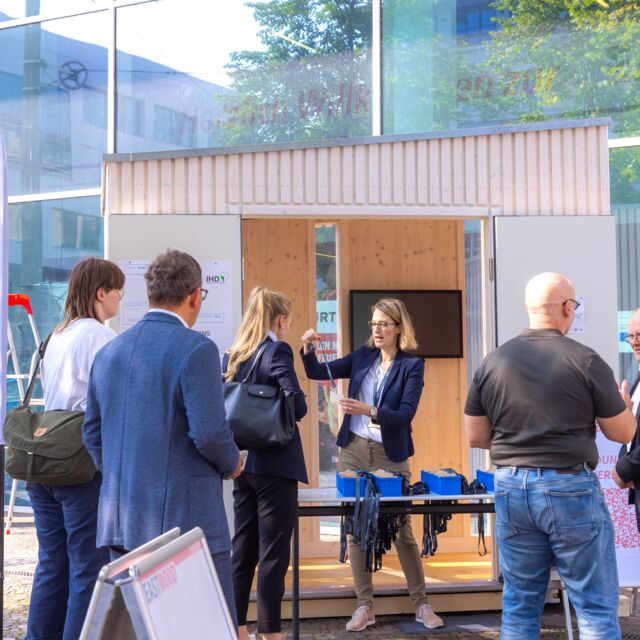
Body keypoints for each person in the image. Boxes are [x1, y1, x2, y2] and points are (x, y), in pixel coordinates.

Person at [464, 272, 636, 640]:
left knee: (520, 605)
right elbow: (623, 433)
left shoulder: (493, 361)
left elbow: (475, 436)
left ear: (528, 309)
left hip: (511, 486)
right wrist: (624, 407)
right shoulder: (585, 359)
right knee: (593, 608)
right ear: (567, 309)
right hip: (569, 487)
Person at [83, 249, 242, 626]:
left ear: (150, 294)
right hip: (184, 525)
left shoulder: (109, 352)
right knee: (205, 626)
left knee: (136, 629)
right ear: (194, 296)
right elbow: (209, 432)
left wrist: (127, 476)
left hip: (120, 520)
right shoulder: (197, 349)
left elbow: (91, 432)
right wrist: (233, 461)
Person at [300, 298, 444, 632]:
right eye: (374, 324)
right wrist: (308, 348)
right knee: (356, 529)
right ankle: (365, 606)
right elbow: (318, 372)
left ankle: (421, 604)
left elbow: (406, 415)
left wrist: (369, 411)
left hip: (389, 454)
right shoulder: (363, 356)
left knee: (402, 531)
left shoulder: (412, 365)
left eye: (383, 324)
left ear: (398, 328)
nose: (377, 330)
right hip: (353, 450)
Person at [26, 257, 123, 640]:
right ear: (102, 293)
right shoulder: (102, 338)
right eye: (117, 291)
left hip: (43, 464)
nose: (118, 299)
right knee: (87, 567)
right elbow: (114, 404)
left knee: (52, 564)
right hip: (81, 466)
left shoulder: (55, 336)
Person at [223, 286, 307, 640]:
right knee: (273, 555)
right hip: (276, 464)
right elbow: (297, 405)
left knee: (242, 550)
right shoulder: (277, 351)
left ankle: (236, 627)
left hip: (244, 464)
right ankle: (270, 632)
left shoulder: (234, 354)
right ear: (281, 319)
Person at [614, 307, 640, 530]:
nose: (634, 342)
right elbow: (632, 431)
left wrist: (625, 469)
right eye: (630, 336)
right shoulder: (637, 379)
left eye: (639, 335)